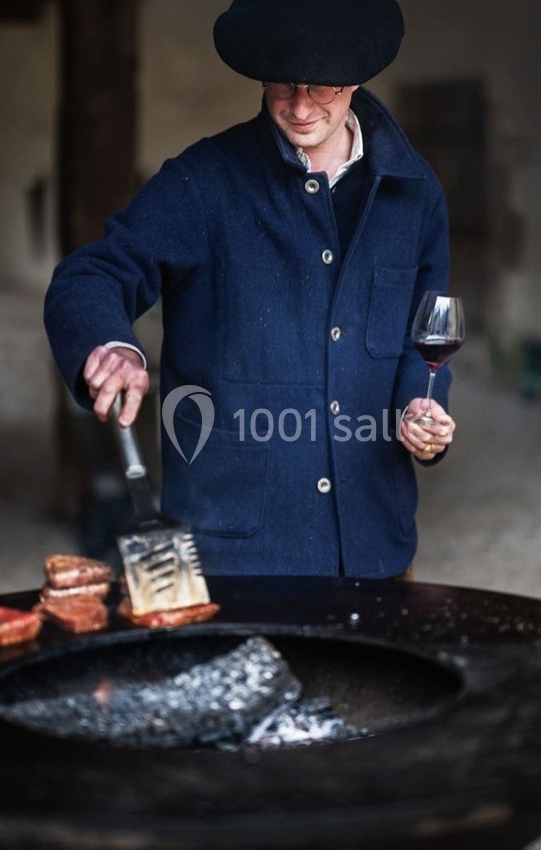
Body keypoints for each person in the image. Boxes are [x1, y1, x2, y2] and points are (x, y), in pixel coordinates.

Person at [44, 0, 456, 579]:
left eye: (321, 86)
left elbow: (424, 333)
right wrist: (113, 346)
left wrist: (421, 404)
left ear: (357, 78)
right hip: (234, 558)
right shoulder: (201, 183)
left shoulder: (415, 193)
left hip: (377, 549)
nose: (300, 107)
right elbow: (89, 276)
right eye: (283, 85)